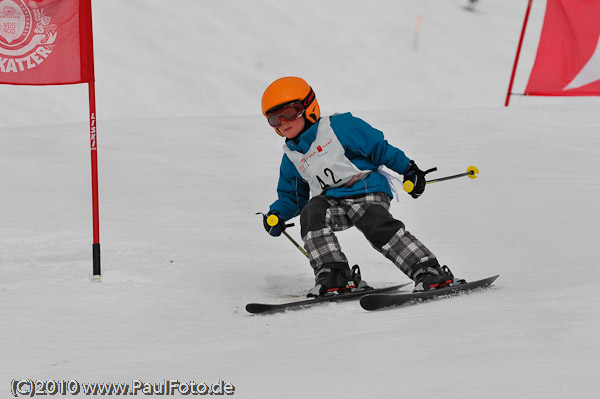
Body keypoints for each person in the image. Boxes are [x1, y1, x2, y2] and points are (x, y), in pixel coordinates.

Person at [260, 77, 462, 297]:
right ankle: (335, 274)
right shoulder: (292, 157)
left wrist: (409, 170)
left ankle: (427, 269)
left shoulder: (339, 127)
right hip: (332, 201)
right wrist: (278, 214)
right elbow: (293, 197)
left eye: (289, 113)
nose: (283, 123)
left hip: (365, 190)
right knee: (312, 212)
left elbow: (380, 148)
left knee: (373, 220)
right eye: (274, 119)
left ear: (308, 107)